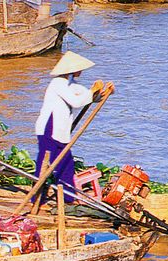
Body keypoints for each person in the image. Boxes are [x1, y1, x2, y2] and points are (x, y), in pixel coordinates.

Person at [34, 51, 112, 202]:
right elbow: (77, 102)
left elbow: (87, 97)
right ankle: (37, 198)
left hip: (61, 131)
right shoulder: (57, 84)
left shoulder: (71, 84)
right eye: (79, 68)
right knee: (45, 164)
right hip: (49, 129)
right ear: (72, 69)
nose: (81, 71)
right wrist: (92, 91)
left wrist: (105, 92)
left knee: (66, 164)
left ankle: (67, 198)